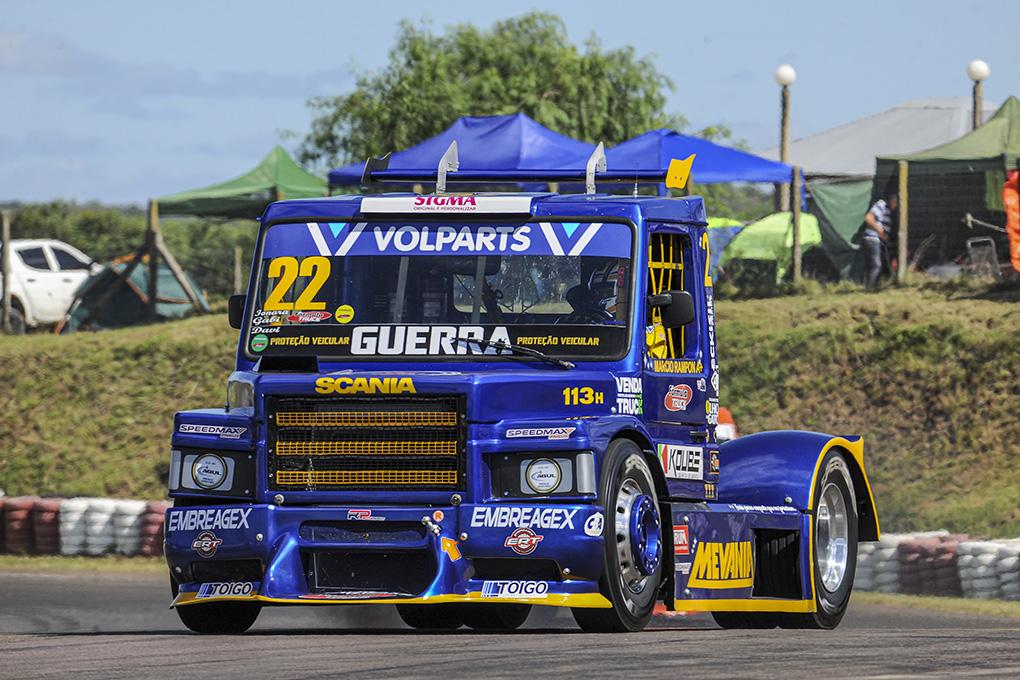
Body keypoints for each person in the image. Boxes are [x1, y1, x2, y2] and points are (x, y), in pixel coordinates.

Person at [863, 192, 897, 288]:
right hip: (872, 238)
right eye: (896, 202)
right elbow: (868, 218)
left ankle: (876, 285)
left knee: (880, 264)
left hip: (880, 241)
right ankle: (869, 288)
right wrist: (880, 231)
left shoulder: (890, 211)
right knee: (876, 265)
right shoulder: (882, 204)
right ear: (892, 199)